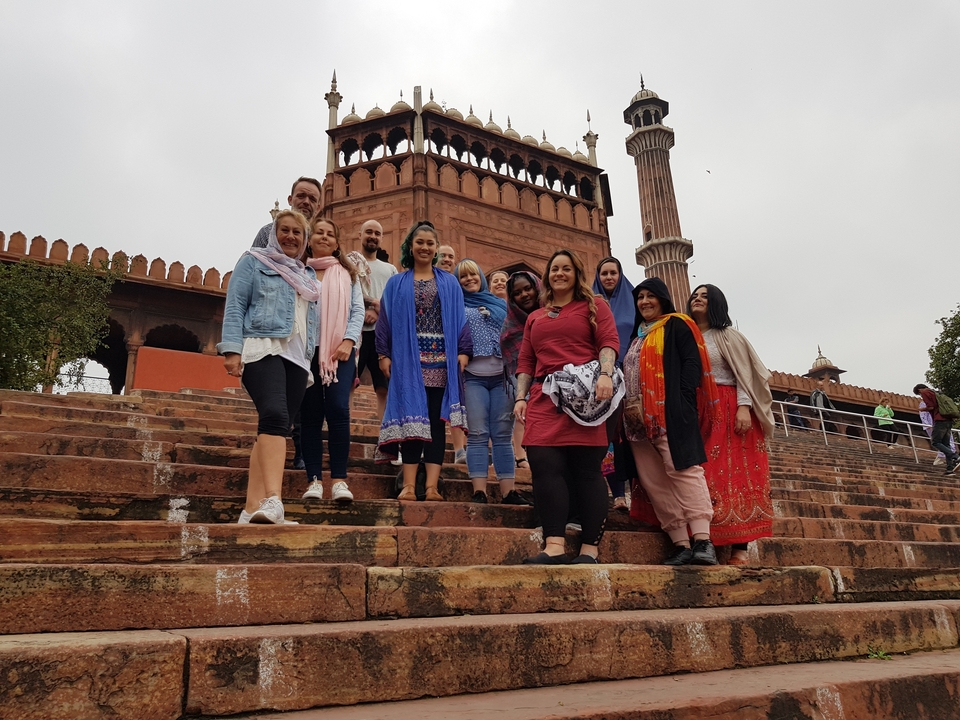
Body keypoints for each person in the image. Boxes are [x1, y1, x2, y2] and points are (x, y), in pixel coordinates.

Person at [514, 249, 619, 565]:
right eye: (554, 269)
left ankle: (589, 549)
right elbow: (526, 360)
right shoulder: (536, 316)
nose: (559, 273)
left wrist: (604, 374)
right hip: (546, 396)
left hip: (585, 396)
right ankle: (554, 545)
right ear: (547, 276)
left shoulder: (593, 305)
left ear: (576, 274)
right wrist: (520, 396)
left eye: (566, 269)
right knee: (545, 466)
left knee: (587, 471)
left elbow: (608, 341)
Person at [218, 210, 319, 524]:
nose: (290, 237)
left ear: (304, 241)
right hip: (262, 346)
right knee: (274, 415)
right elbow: (235, 305)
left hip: (298, 358)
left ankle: (251, 508)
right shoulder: (253, 261)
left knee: (272, 428)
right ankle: (274, 501)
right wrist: (232, 349)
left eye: (297, 233)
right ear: (274, 234)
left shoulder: (308, 276)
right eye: (284, 230)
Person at [622, 277, 720, 566]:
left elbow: (692, 363)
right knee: (654, 480)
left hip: (670, 414)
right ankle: (680, 543)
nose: (644, 302)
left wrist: (682, 402)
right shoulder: (637, 335)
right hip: (637, 419)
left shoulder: (677, 323)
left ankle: (703, 540)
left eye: (651, 296)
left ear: (663, 298)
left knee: (684, 471)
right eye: (640, 297)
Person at [376, 221, 471, 500]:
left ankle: (431, 486)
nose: (425, 247)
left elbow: (460, 319)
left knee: (435, 422)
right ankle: (407, 485)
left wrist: (463, 351)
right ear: (410, 246)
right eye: (420, 242)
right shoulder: (396, 283)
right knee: (411, 424)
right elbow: (385, 322)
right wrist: (384, 354)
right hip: (408, 361)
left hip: (441, 361)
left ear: (436, 249)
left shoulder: (449, 282)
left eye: (430, 243)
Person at [688, 284, 775, 565]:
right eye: (694, 295)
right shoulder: (688, 335)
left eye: (704, 296)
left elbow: (744, 374)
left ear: (715, 303)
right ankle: (704, 539)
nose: (697, 299)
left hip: (728, 407)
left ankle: (740, 547)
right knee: (701, 476)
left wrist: (743, 407)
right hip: (699, 410)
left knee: (734, 476)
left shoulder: (728, 336)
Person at [298, 217, 365, 504]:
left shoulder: (348, 274)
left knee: (338, 409)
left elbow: (358, 311)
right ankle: (313, 479)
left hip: (340, 353)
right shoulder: (298, 272)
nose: (324, 238)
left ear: (337, 243)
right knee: (310, 415)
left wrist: (349, 340)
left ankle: (339, 480)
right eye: (319, 233)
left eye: (330, 234)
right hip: (305, 351)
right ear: (310, 239)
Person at [455, 259, 530, 506]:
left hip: (502, 378)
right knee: (477, 434)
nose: (469, 279)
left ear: (481, 276)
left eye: (473, 274)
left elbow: (519, 332)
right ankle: (480, 491)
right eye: (463, 276)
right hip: (473, 378)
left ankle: (508, 491)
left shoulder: (500, 304)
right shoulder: (455, 305)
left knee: (502, 434)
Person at [592, 256, 635, 513]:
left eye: (613, 273)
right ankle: (616, 493)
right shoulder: (591, 303)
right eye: (604, 273)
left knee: (626, 437)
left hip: (629, 377)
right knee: (607, 437)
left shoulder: (634, 301)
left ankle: (632, 493)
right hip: (599, 379)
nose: (609, 277)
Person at [352, 220, 398, 422]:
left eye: (377, 233)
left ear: (382, 237)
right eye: (368, 232)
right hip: (355, 333)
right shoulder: (349, 264)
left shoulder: (390, 270)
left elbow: (396, 300)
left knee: (383, 387)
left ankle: (384, 434)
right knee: (349, 382)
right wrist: (372, 303)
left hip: (381, 334)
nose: (373, 236)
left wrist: (379, 313)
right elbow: (345, 293)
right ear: (360, 234)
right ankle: (346, 427)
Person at [501, 271, 542, 470]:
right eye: (517, 292)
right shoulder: (511, 326)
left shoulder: (554, 314)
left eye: (528, 288)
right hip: (528, 390)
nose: (524, 294)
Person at [435, 244, 466, 462]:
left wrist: (463, 350)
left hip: (453, 351)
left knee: (456, 399)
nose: (447, 259)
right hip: (428, 352)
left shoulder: (457, 285)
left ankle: (460, 450)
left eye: (451, 256)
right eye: (443, 255)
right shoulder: (424, 281)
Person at [252, 177, 322, 248]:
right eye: (301, 196)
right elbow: (253, 259)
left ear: (318, 208)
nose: (306, 202)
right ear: (290, 200)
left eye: (312, 199)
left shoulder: (322, 241)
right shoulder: (267, 233)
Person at [913, 384, 959, 474]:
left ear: (919, 390)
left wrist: (922, 409)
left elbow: (931, 407)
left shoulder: (925, 392)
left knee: (935, 441)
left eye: (919, 394)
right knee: (946, 444)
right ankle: (950, 468)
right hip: (948, 420)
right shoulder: (936, 392)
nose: (921, 396)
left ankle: (955, 456)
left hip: (940, 420)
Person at [919, 397, 955, 465]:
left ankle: (949, 459)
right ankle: (948, 457)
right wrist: (928, 426)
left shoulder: (940, 403)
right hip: (934, 426)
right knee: (940, 442)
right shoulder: (924, 404)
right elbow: (923, 416)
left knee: (949, 442)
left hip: (944, 424)